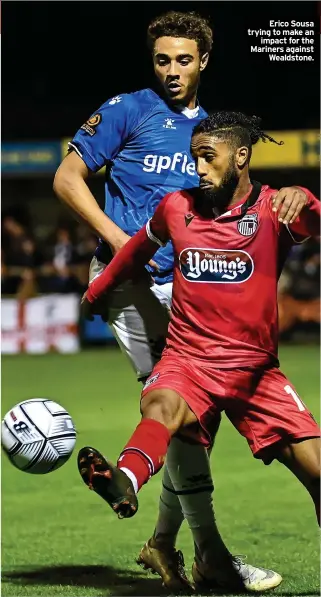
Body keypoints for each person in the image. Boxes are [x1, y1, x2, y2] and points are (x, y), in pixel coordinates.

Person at [54, 10, 304, 591]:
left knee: (195, 419)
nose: (172, 70)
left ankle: (164, 543)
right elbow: (67, 179)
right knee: (173, 409)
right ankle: (212, 556)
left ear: (204, 61)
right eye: (162, 59)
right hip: (132, 281)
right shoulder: (126, 110)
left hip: (188, 283)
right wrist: (121, 244)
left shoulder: (212, 131)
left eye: (184, 59)